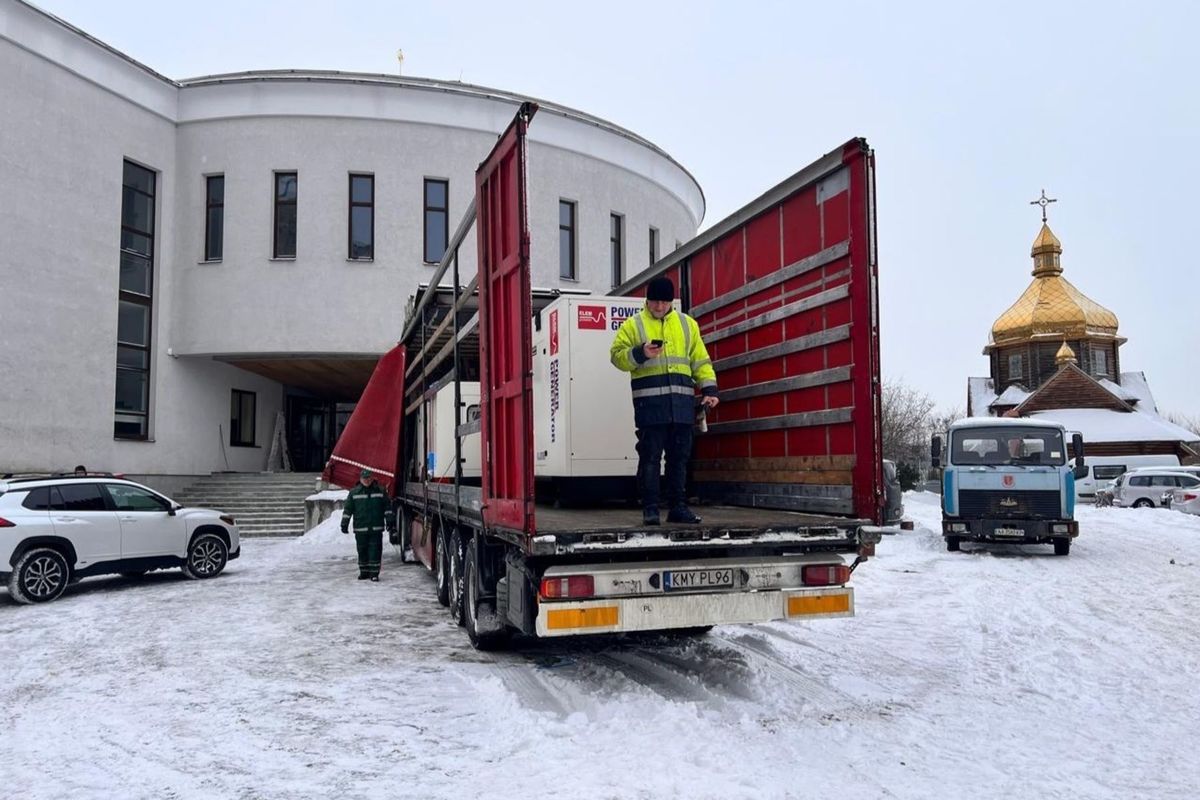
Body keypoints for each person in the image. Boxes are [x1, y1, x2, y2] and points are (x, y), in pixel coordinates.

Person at [610, 276, 719, 525]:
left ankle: (678, 508)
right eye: (655, 301)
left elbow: (700, 360)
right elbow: (616, 357)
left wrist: (710, 390)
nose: (659, 306)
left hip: (681, 406)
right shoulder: (633, 325)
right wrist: (641, 353)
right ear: (647, 301)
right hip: (650, 407)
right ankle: (650, 509)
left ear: (672, 302)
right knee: (650, 457)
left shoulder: (687, 325)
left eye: (664, 302)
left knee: (679, 459)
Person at [341, 469, 388, 581]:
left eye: (368, 478)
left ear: (372, 478)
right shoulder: (354, 493)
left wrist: (390, 520)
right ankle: (364, 572)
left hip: (376, 528)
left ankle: (374, 574)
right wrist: (344, 524)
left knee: (375, 550)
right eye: (364, 478)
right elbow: (348, 510)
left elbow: (387, 507)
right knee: (362, 550)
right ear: (360, 479)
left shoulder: (380, 491)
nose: (367, 480)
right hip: (360, 528)